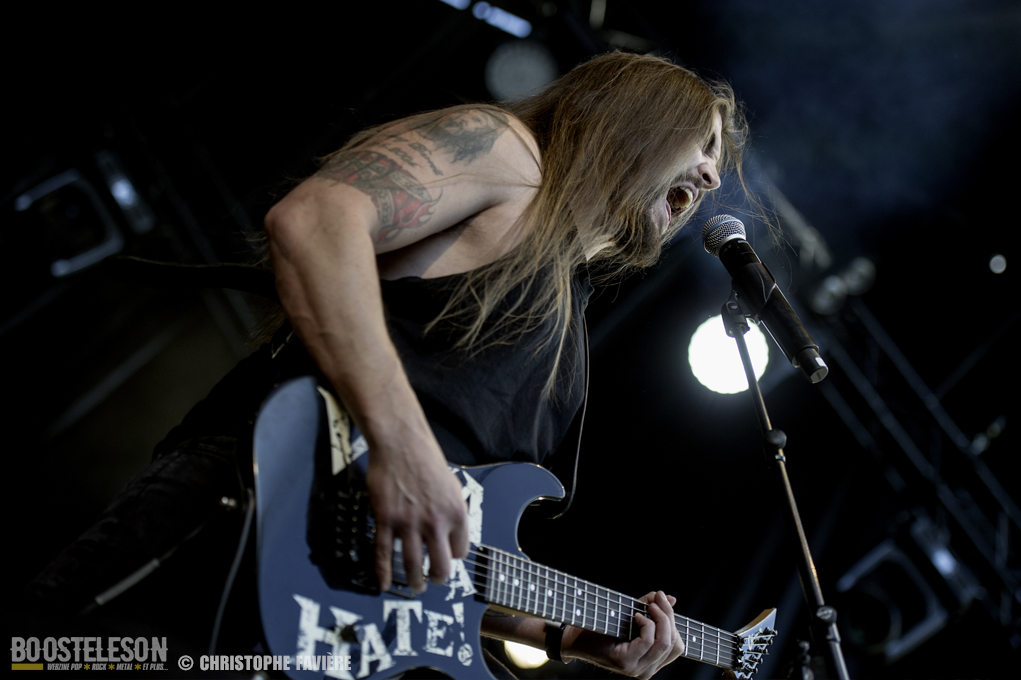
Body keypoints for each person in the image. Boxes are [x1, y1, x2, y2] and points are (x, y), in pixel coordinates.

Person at [27, 50, 749, 679]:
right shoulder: (508, 154)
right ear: (637, 119)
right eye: (702, 141)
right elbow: (315, 219)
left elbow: (441, 556)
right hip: (243, 514)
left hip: (323, 630)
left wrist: (562, 637)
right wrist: (403, 445)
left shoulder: (569, 338)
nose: (714, 176)